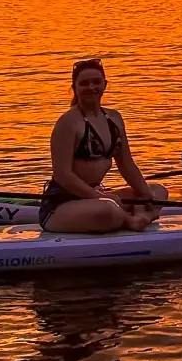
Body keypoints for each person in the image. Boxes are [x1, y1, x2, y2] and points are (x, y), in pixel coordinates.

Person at [42, 58, 164, 233]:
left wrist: (145, 195)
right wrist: (101, 198)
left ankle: (139, 216)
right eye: (84, 83)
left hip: (97, 196)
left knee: (157, 191)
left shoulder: (114, 118)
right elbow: (63, 175)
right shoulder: (68, 122)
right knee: (107, 210)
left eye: (96, 82)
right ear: (74, 87)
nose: (91, 87)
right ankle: (132, 219)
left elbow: (126, 164)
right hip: (62, 204)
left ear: (105, 85)